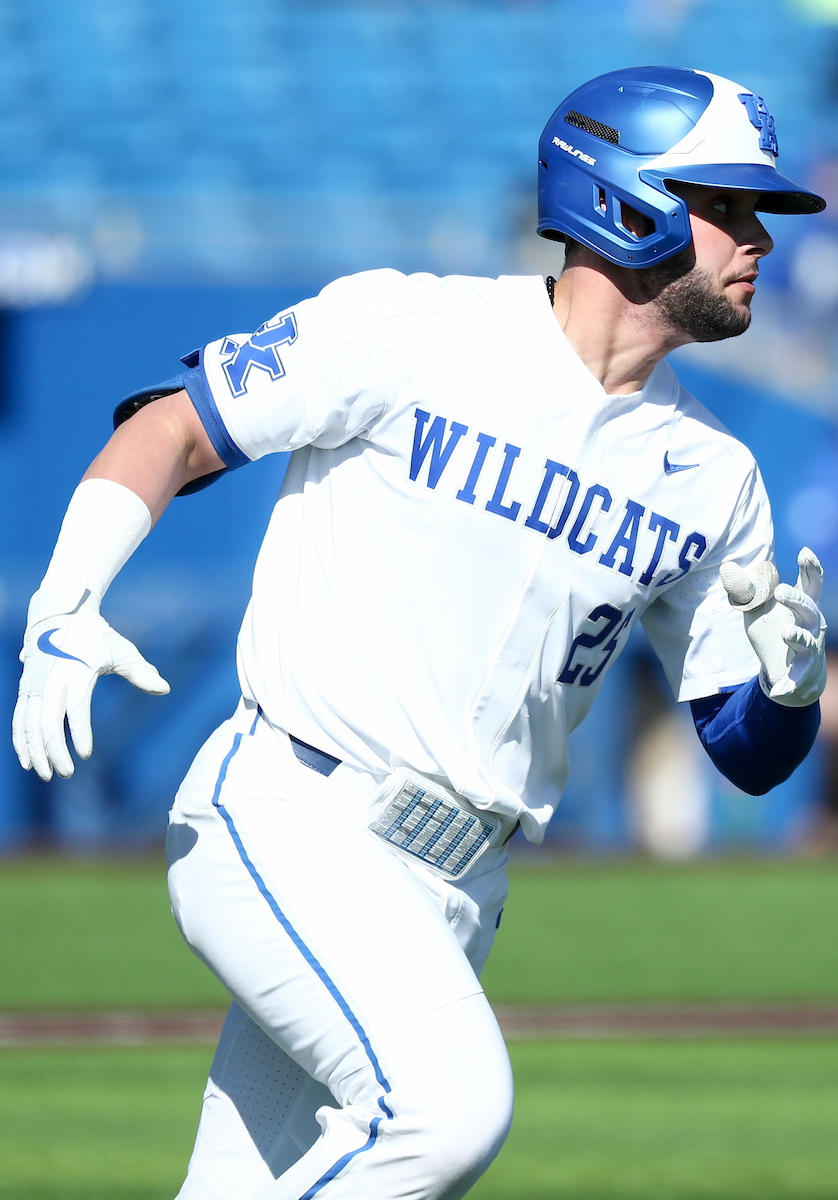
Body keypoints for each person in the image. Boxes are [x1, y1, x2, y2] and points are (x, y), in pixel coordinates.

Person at [12, 66, 828, 1199]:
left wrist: (788, 694)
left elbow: (743, 756)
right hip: (293, 812)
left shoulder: (714, 477)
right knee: (445, 1116)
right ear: (625, 200)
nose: (759, 240)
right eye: (727, 206)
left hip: (460, 889)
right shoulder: (412, 327)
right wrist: (63, 606)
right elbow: (175, 430)